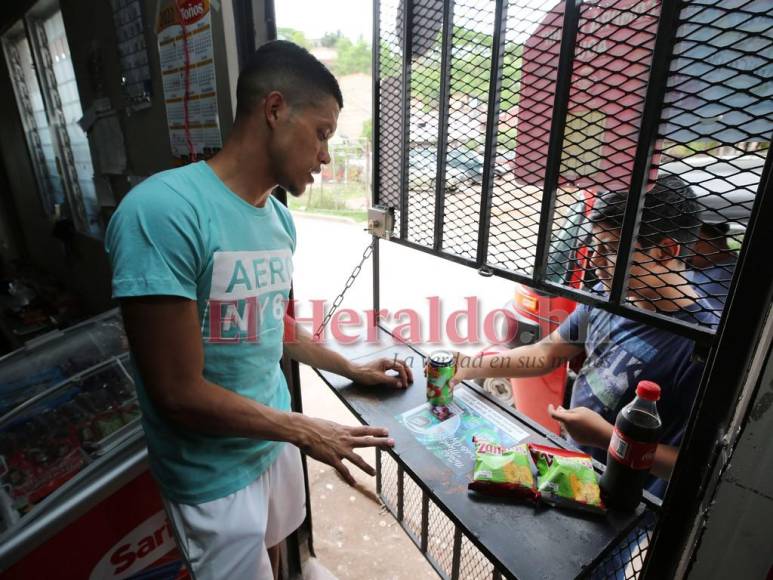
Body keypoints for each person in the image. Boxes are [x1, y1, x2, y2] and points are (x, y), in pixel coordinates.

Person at [105, 40, 413, 580]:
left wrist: (351, 368)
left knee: (276, 556)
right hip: (211, 473)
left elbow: (268, 322)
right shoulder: (162, 212)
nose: (325, 155)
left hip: (270, 445)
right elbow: (178, 395)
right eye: (321, 133)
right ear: (274, 110)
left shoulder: (278, 220)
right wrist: (304, 428)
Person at [452, 175, 715, 495]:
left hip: (619, 499)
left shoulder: (699, 346)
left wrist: (608, 437)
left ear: (664, 251)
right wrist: (471, 365)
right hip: (570, 468)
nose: (594, 261)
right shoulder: (609, 296)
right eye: (594, 245)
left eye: (611, 248)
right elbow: (548, 353)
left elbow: (692, 466)